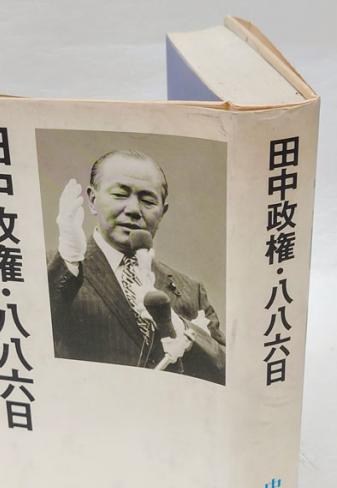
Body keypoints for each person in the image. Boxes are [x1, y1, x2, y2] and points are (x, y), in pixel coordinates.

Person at [47, 150, 226, 384]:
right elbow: (30, 333)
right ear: (92, 199)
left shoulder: (191, 291)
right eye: (120, 194)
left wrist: (178, 327)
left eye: (148, 201)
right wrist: (70, 260)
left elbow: (226, 371)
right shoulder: (57, 268)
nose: (133, 209)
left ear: (163, 212)